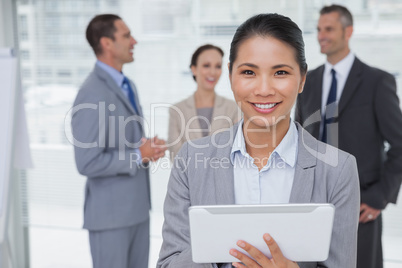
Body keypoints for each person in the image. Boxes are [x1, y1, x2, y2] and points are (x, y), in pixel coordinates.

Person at [158, 13, 360, 268]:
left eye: (281, 72)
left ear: (302, 79)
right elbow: (168, 263)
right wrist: (220, 253)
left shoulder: (338, 170)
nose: (264, 89)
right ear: (231, 76)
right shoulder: (191, 160)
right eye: (249, 72)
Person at [294, 5, 402, 268]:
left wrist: (379, 197)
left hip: (360, 206)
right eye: (319, 29)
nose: (321, 35)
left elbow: (400, 144)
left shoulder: (377, 81)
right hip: (311, 203)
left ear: (348, 31)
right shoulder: (307, 81)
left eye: (329, 29)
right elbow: (297, 138)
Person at [71, 14, 166, 268]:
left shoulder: (128, 85)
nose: (134, 41)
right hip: (110, 219)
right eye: (126, 36)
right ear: (107, 43)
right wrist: (137, 154)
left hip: (137, 212)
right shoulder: (91, 92)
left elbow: (126, 142)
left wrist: (147, 149)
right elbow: (87, 162)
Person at [168, 44, 240, 161]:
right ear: (194, 69)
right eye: (206, 65)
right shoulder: (176, 110)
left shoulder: (233, 108)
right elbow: (175, 157)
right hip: (190, 179)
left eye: (217, 66)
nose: (213, 72)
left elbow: (237, 152)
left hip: (223, 178)